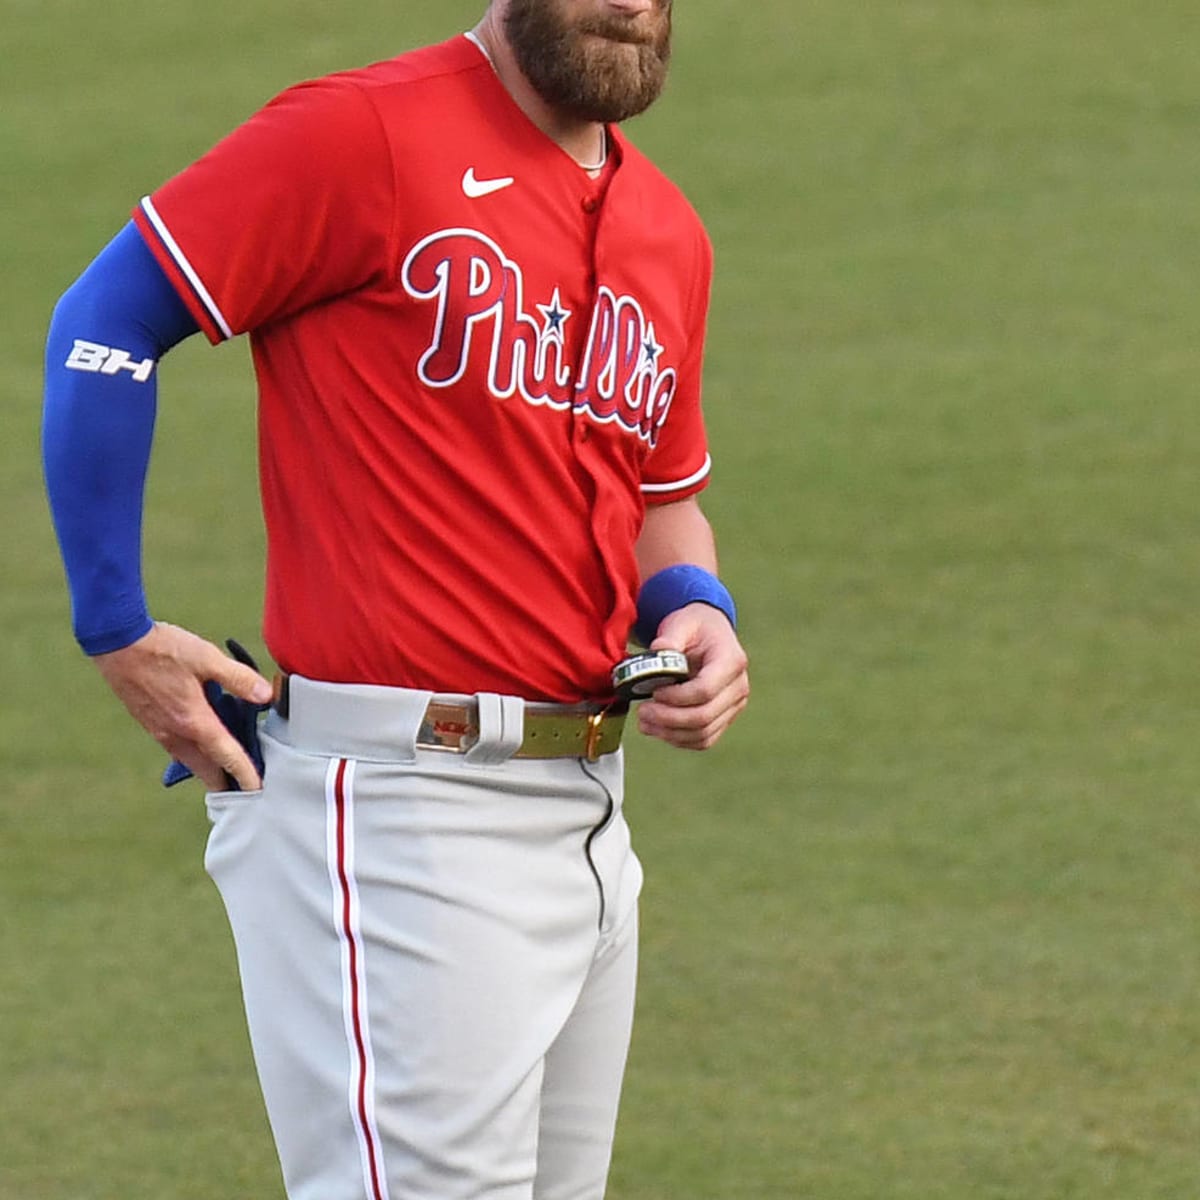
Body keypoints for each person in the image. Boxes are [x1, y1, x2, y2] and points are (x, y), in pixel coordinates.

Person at [42, 0, 749, 1195]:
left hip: (588, 819)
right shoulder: (360, 135)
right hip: (399, 818)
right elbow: (105, 322)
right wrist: (115, 622)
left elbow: (661, 497)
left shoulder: (667, 230)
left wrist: (698, 609)